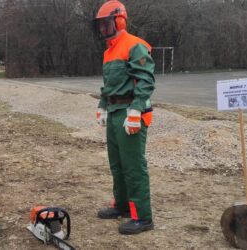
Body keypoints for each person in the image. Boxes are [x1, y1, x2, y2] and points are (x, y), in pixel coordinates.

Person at [92, 0, 156, 235]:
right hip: (115, 112)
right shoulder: (109, 52)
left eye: (105, 24)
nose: (101, 29)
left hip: (131, 112)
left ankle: (143, 217)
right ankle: (121, 206)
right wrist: (102, 106)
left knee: (133, 166)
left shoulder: (134, 46)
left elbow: (146, 80)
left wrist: (137, 110)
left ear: (118, 20)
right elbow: (109, 84)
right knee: (117, 165)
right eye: (99, 25)